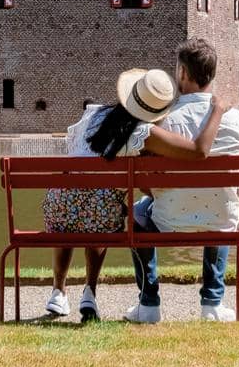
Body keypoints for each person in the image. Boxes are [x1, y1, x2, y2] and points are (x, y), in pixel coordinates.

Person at [43, 67, 224, 322]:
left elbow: (73, 155)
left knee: (76, 198)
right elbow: (197, 151)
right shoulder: (143, 133)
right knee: (104, 207)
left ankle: (57, 293)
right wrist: (218, 109)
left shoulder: (93, 114)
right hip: (99, 217)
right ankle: (89, 292)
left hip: (58, 206)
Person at [126, 38, 239, 323]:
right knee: (223, 209)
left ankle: (148, 303)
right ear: (212, 74)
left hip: (168, 221)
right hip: (222, 221)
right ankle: (212, 302)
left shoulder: (163, 122)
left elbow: (145, 183)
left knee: (137, 214)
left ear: (183, 72)